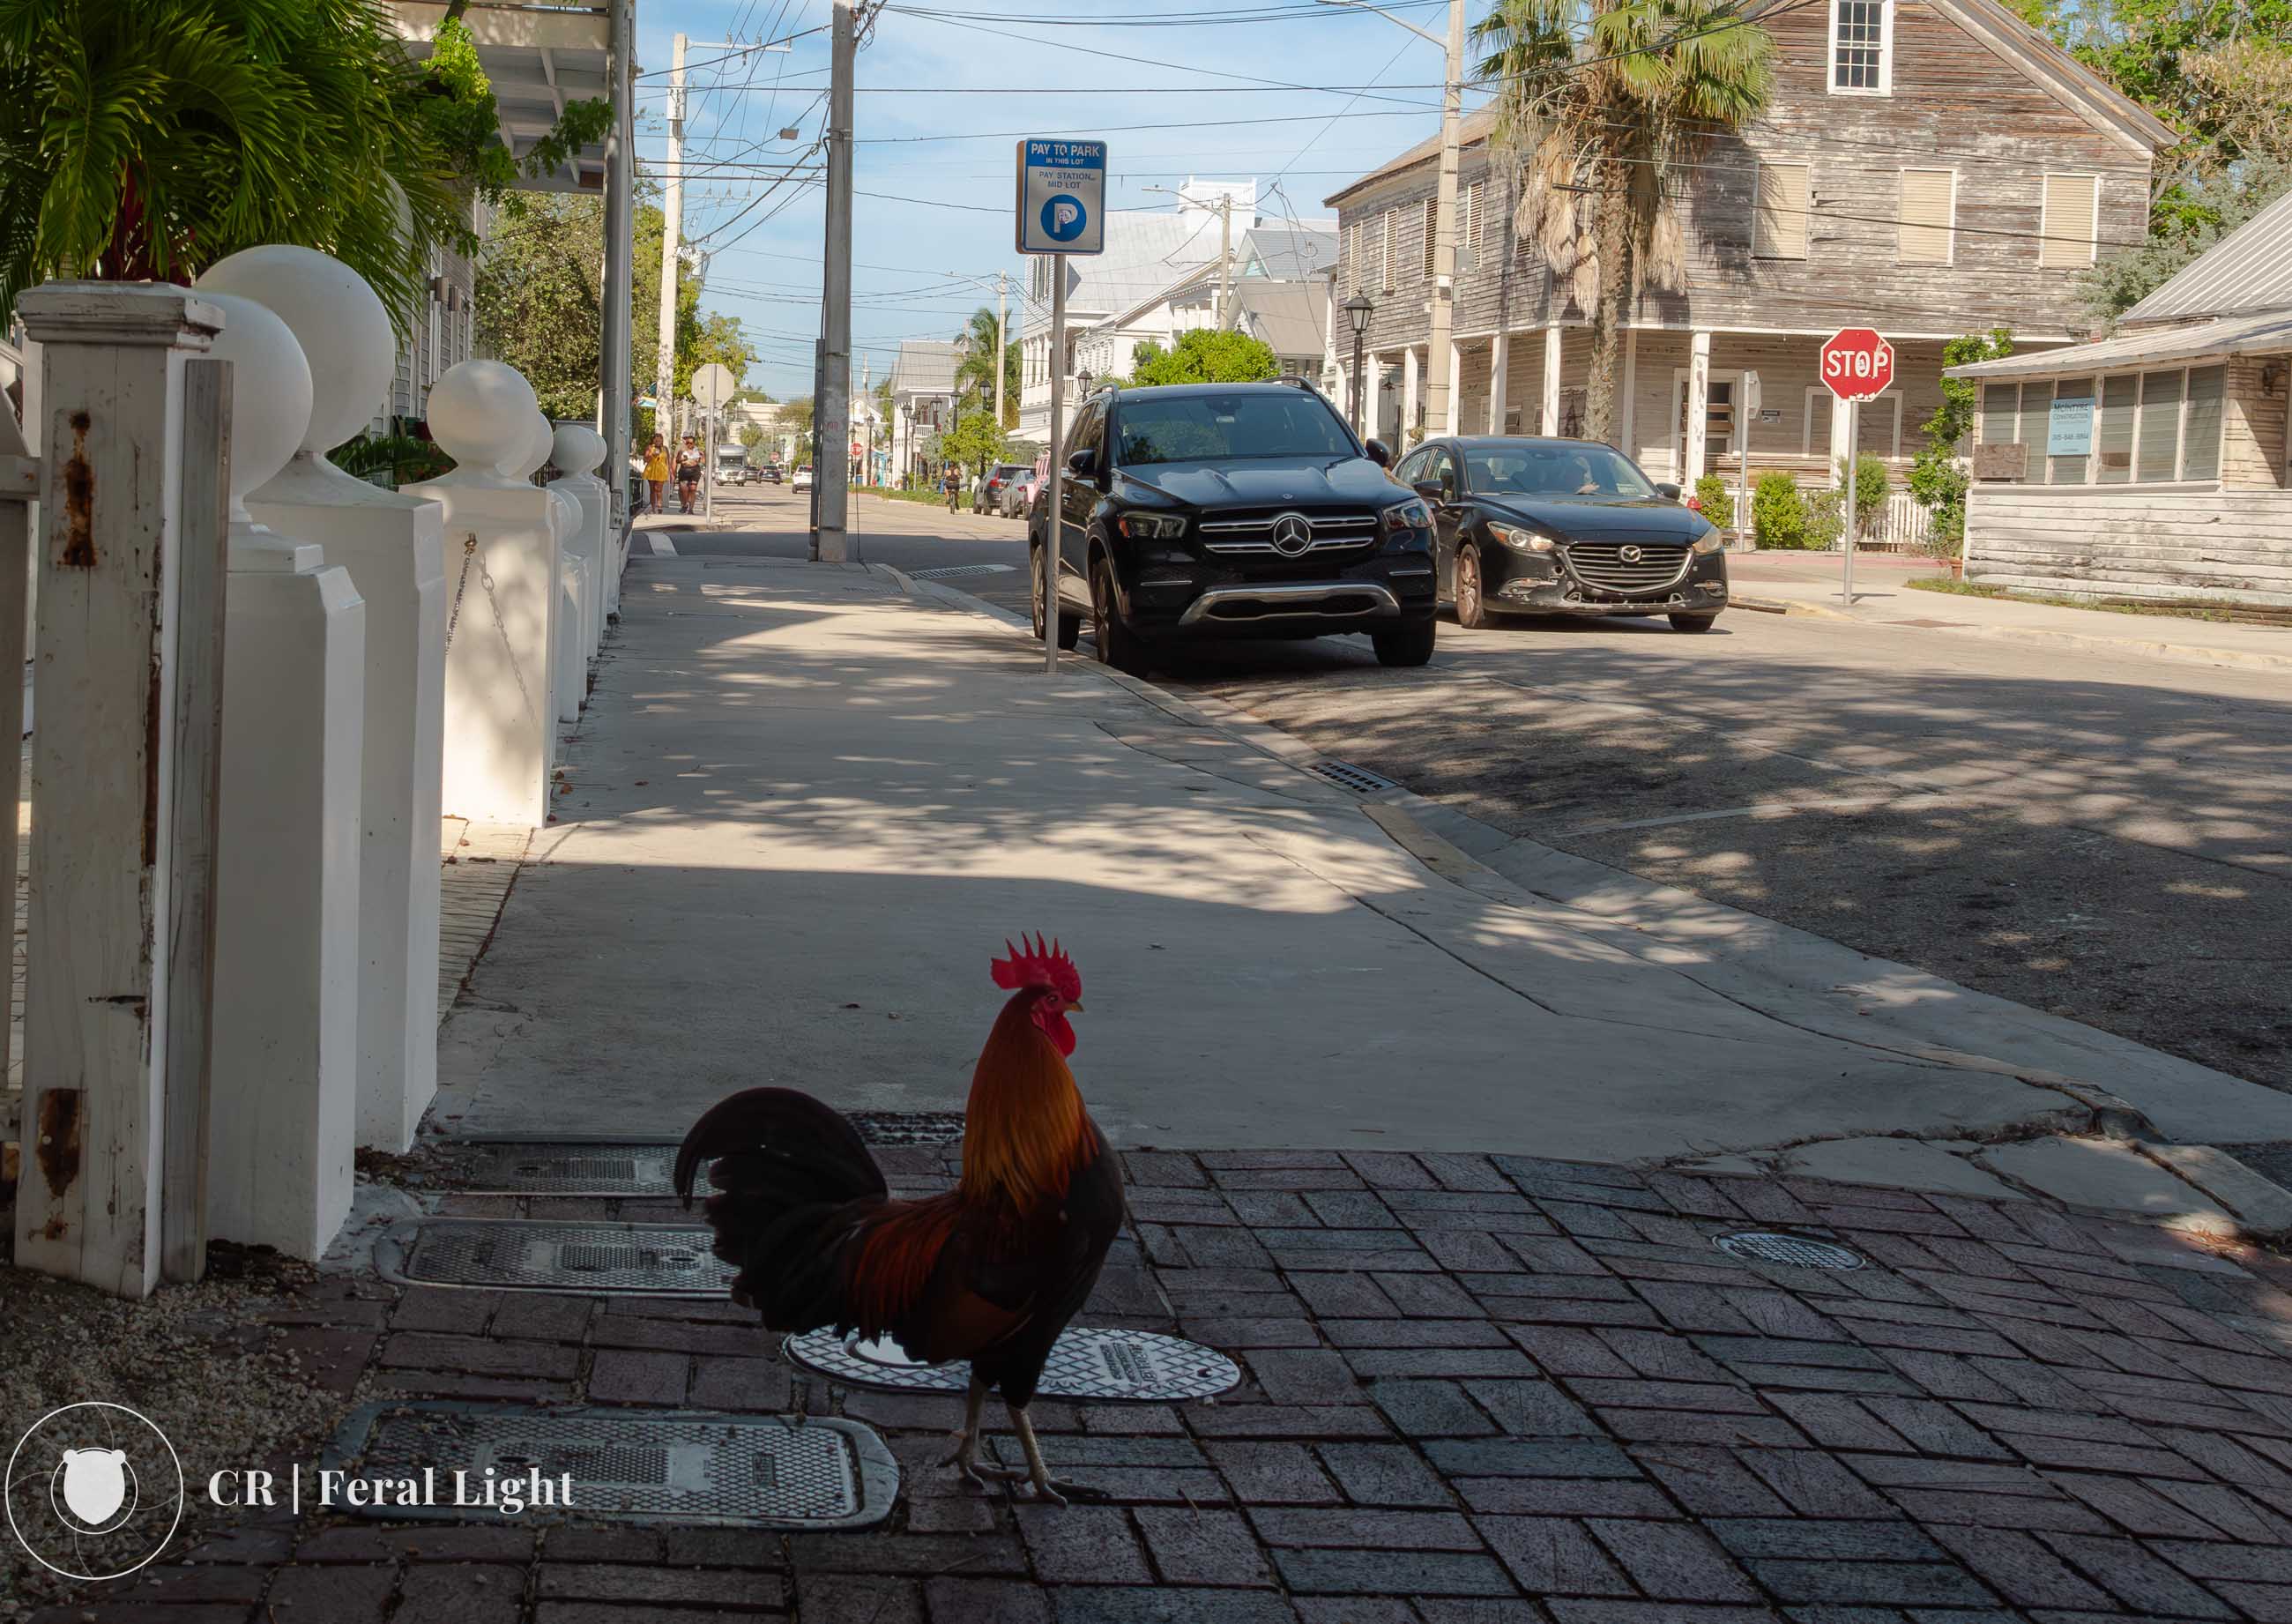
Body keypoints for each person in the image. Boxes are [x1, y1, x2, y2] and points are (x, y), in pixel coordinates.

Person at [674, 436, 703, 513]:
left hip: (694, 471)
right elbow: (677, 460)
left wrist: (703, 456)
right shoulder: (682, 450)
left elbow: (703, 461)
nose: (689, 445)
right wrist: (682, 459)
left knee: (693, 489)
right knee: (684, 490)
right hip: (684, 471)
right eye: (687, 443)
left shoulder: (697, 451)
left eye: (691, 443)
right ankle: (685, 504)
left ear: (694, 443)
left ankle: (691, 509)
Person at [642, 435, 669, 514]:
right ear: (653, 441)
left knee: (659, 489)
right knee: (652, 490)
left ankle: (659, 505)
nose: (658, 442)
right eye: (656, 440)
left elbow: (668, 460)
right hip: (651, 470)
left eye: (659, 440)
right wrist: (652, 455)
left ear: (662, 441)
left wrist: (669, 472)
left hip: (662, 470)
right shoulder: (650, 448)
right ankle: (653, 507)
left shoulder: (665, 449)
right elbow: (645, 459)